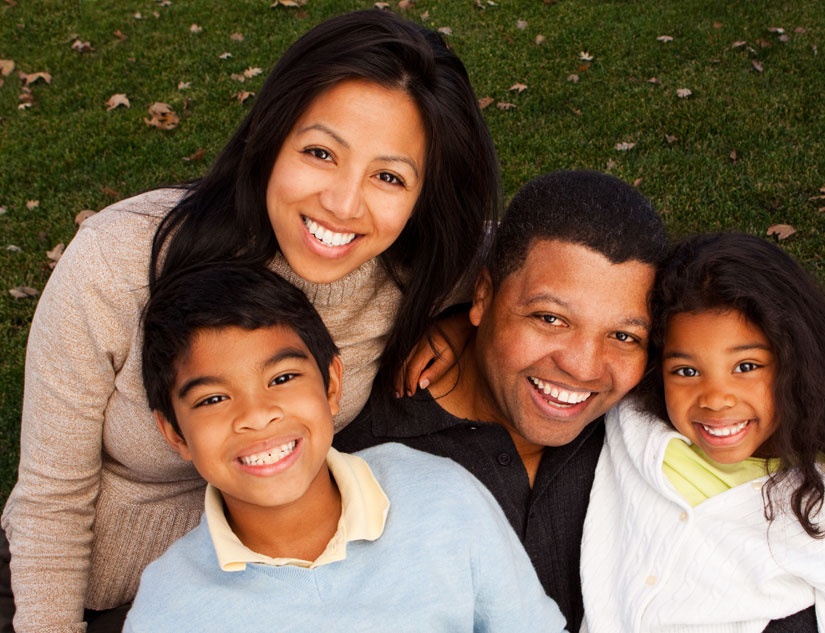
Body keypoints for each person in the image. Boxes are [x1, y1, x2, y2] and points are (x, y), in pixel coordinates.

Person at [1, 9, 499, 632]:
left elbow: (543, 275)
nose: (344, 204)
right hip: (91, 596)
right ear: (270, 139)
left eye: (389, 176)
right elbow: (50, 503)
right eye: (320, 152)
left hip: (279, 593)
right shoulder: (118, 262)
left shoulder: (411, 267)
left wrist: (462, 320)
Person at [122, 263, 566, 633]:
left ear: (332, 385)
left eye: (282, 378)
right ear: (176, 434)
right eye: (213, 400)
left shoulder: (443, 496)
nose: (257, 415)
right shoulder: (168, 608)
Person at [335, 170, 667, 632]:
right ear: (482, 295)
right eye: (550, 318)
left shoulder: (647, 435)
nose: (584, 367)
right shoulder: (360, 461)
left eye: (624, 335)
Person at [579, 232, 825, 632]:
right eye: (686, 371)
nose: (715, 399)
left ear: (796, 366)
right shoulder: (632, 426)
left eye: (746, 367)